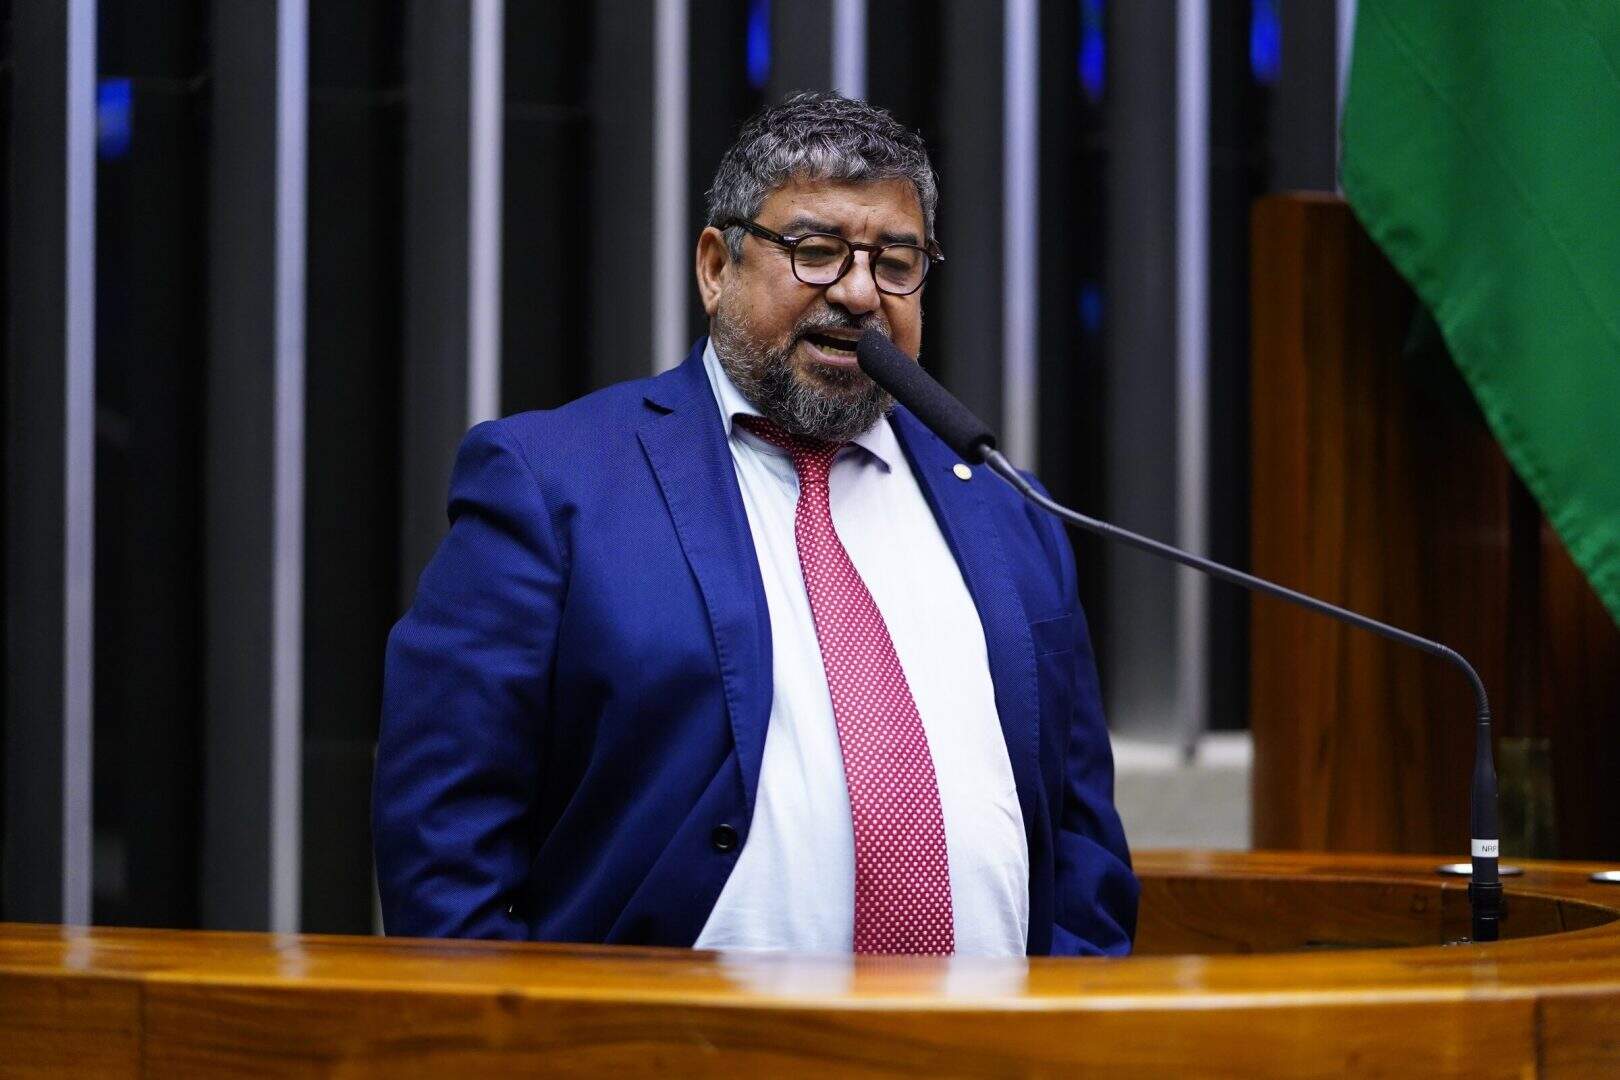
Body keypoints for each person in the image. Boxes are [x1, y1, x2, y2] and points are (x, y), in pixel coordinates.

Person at [373, 91, 1137, 956]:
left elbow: (1082, 841)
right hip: (658, 1027)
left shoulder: (1007, 510)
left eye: (895, 263)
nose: (859, 293)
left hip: (993, 1027)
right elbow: (445, 828)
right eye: (816, 252)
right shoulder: (552, 483)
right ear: (715, 267)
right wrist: (519, 1023)